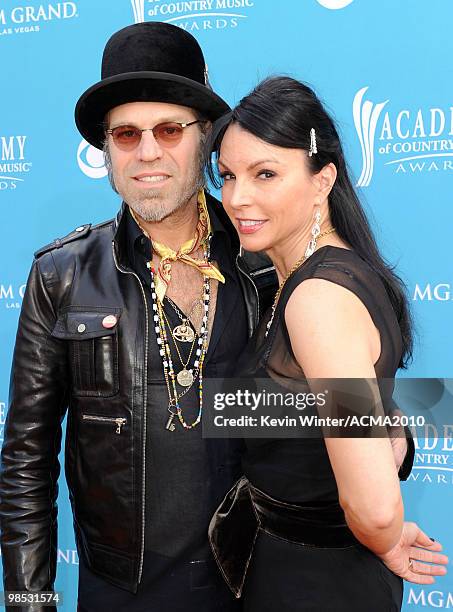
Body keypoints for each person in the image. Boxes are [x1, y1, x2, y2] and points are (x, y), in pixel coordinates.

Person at [0, 22, 280, 612]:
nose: (147, 152)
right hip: (119, 591)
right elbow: (27, 457)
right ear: (105, 148)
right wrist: (29, 599)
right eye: (126, 134)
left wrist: (387, 447)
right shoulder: (63, 275)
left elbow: (321, 406)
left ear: (206, 137)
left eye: (169, 129)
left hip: (254, 584)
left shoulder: (264, 261)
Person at [207, 76, 448, 611]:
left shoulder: (317, 298)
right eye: (227, 176)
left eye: (265, 174)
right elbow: (340, 415)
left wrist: (386, 538)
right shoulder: (318, 279)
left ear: (323, 180)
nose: (237, 197)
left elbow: (376, 507)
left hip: (316, 585)